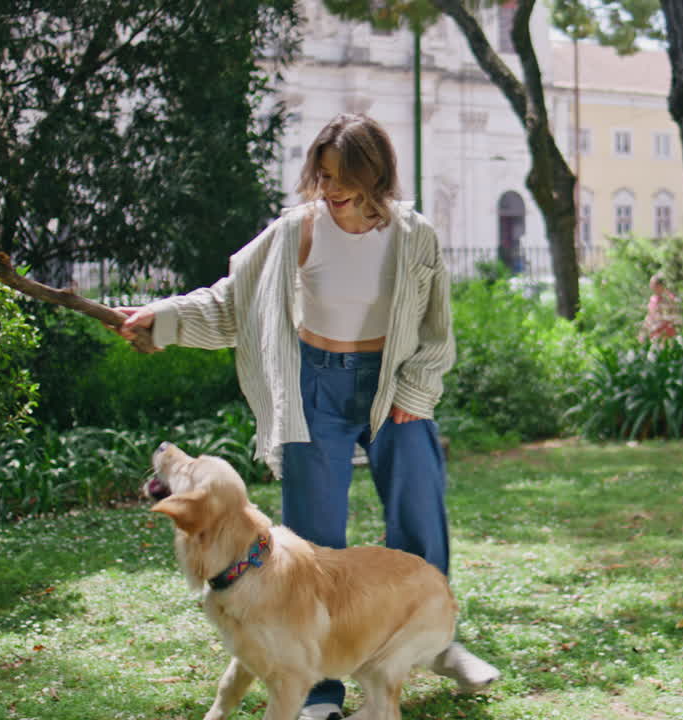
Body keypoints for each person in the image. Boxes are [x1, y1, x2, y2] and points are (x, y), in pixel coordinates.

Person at [115, 113, 499, 720]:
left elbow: (436, 330)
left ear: (376, 176)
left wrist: (417, 390)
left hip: (394, 384)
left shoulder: (414, 236)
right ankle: (320, 691)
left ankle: (438, 642)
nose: (331, 188)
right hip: (314, 386)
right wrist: (162, 320)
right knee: (313, 539)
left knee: (420, 507)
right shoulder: (298, 230)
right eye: (323, 175)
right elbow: (231, 301)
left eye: (344, 176)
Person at [638, 272, 681, 345]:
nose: (651, 287)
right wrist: (643, 331)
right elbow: (650, 315)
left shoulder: (669, 297)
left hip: (667, 334)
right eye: (651, 285)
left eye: (653, 284)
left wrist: (660, 323)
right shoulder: (653, 299)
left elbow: (674, 315)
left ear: (660, 285)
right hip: (655, 334)